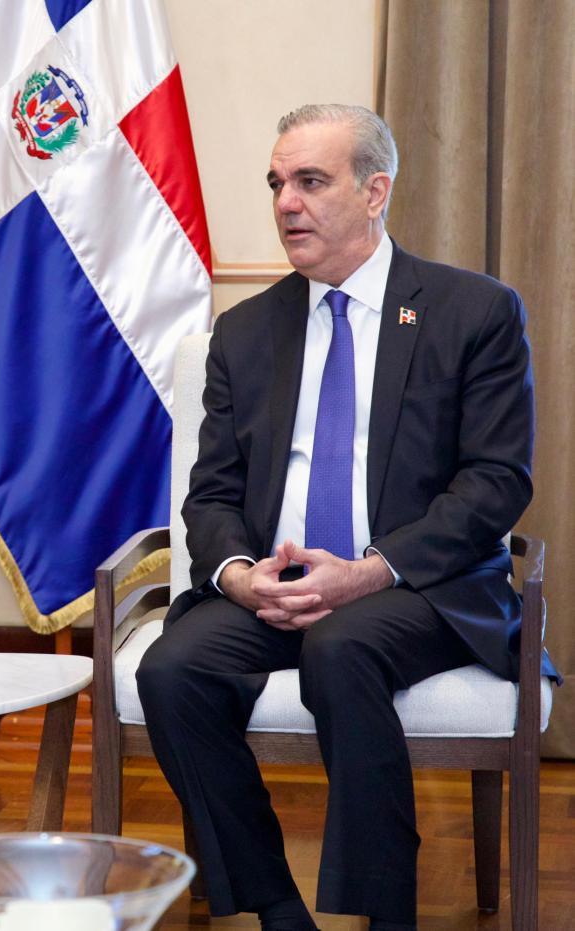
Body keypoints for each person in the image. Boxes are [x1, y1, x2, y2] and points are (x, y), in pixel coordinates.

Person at [135, 104, 558, 931]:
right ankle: (274, 905)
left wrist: (367, 570)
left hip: (416, 584)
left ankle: (382, 912)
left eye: (309, 181)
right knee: (171, 669)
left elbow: (495, 482)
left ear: (374, 192)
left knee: (341, 644)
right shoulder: (245, 331)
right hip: (276, 584)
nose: (285, 201)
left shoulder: (471, 312)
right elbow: (210, 494)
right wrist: (239, 576)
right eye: (276, 184)